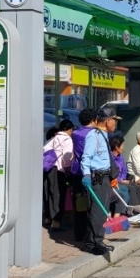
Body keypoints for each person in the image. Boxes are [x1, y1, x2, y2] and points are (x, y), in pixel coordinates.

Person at [79, 107, 121, 255]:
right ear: (108, 121)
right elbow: (86, 157)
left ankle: (92, 241)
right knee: (97, 212)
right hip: (96, 178)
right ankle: (95, 242)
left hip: (104, 177)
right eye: (114, 120)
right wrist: (86, 175)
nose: (115, 124)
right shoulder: (94, 135)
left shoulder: (103, 135)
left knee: (100, 211)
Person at [69, 108, 98, 242]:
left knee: (79, 204)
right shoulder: (96, 134)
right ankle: (91, 233)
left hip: (78, 173)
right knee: (93, 205)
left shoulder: (75, 134)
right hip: (92, 172)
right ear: (93, 120)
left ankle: (78, 233)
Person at [43, 119, 74, 232]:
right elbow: (67, 157)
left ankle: (48, 218)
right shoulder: (67, 140)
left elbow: (44, 149)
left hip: (48, 168)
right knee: (58, 194)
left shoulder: (54, 138)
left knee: (48, 193)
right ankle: (56, 222)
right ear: (69, 129)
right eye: (71, 129)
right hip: (58, 169)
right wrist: (68, 169)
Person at [108, 133, 140, 216]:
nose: (123, 147)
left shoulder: (121, 156)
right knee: (131, 189)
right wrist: (120, 180)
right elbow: (111, 173)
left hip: (121, 179)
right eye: (122, 145)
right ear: (116, 147)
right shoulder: (109, 157)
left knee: (136, 187)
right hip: (114, 180)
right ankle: (132, 210)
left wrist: (122, 178)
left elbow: (124, 170)